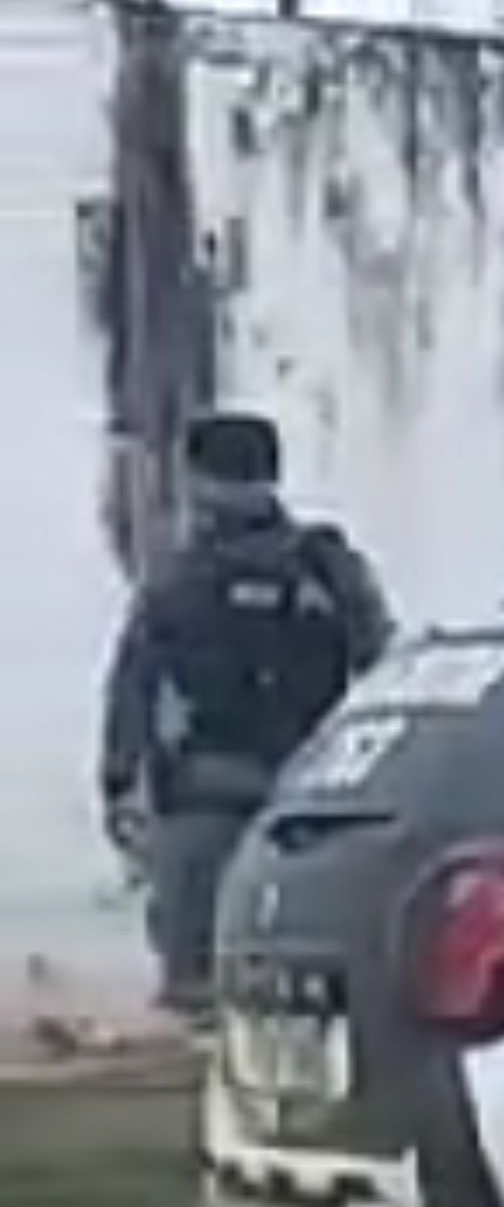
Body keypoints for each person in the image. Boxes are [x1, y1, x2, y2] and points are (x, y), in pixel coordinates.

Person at [99, 413, 392, 1023]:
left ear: (198, 479)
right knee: (308, 981)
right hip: (308, 796)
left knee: (198, 989)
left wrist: (120, 783)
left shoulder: (181, 578)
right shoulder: (325, 566)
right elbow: (385, 671)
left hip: (214, 798)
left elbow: (133, 689)